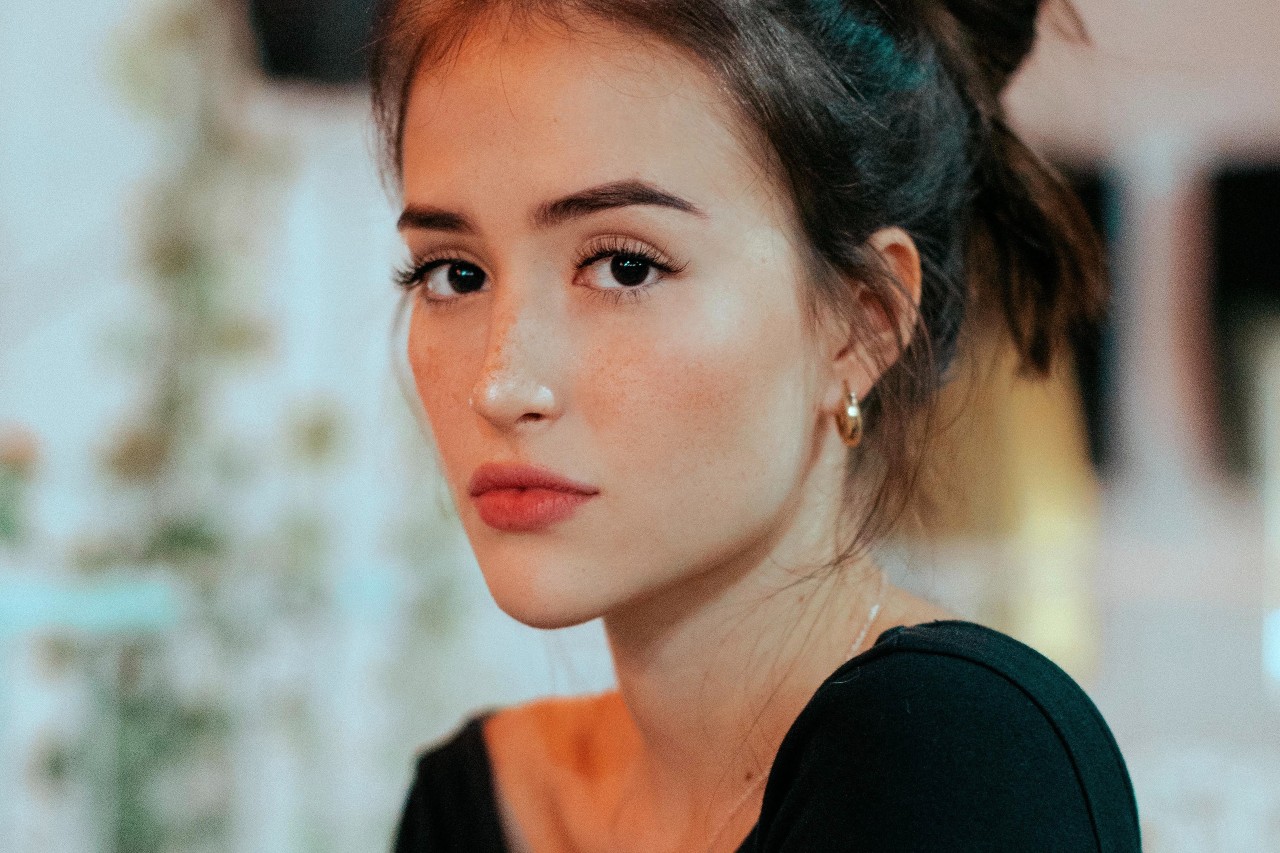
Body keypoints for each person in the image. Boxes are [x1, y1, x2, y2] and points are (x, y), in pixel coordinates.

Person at [371, 0, 1141, 850]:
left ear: (861, 321)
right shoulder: (479, 800)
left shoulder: (956, 756)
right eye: (453, 273)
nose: (502, 383)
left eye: (624, 266)